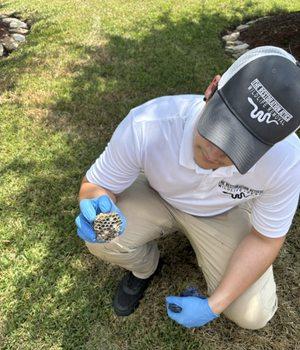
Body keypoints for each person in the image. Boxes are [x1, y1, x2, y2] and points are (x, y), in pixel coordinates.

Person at [75, 46, 300, 330]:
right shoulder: (148, 124)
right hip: (157, 194)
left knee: (253, 315)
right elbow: (97, 184)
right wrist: (96, 202)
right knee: (102, 236)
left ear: (272, 145)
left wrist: (213, 305)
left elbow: (266, 239)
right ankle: (145, 269)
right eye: (222, 124)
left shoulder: (288, 161)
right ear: (212, 88)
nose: (216, 153)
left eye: (243, 146)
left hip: (224, 212)